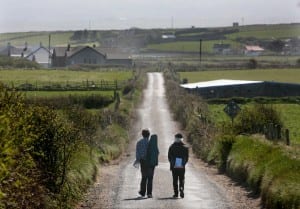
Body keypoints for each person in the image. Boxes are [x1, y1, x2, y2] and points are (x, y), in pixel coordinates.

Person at [135, 129, 156, 198]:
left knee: (144, 177)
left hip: (143, 162)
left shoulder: (139, 142)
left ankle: (142, 192)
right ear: (149, 135)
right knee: (150, 178)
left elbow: (137, 153)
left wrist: (138, 160)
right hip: (151, 162)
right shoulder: (152, 143)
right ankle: (149, 193)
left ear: (142, 135)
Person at [168, 133, 189, 198]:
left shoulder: (172, 147)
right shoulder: (185, 147)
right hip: (181, 165)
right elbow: (187, 157)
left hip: (174, 164)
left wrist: (172, 163)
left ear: (175, 138)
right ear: (181, 139)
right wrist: (183, 163)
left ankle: (176, 193)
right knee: (182, 178)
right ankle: (181, 188)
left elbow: (169, 157)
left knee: (175, 180)